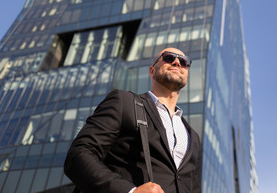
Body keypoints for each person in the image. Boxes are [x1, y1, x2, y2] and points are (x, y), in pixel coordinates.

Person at [64, 48, 202, 193]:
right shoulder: (124, 102)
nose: (176, 62)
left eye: (184, 61)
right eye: (168, 57)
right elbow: (79, 155)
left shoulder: (192, 137)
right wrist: (131, 191)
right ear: (152, 71)